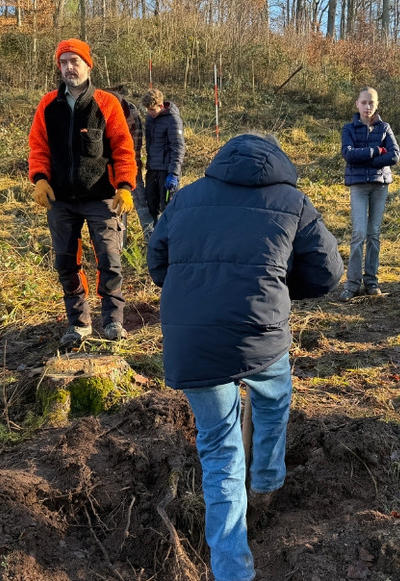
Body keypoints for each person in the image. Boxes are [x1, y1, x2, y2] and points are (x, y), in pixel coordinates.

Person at [147, 133, 343, 581]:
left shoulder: (187, 197)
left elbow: (158, 264)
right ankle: (269, 482)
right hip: (262, 334)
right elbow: (329, 272)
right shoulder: (292, 200)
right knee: (273, 399)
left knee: (219, 452)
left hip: (193, 342)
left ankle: (232, 571)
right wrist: (278, 286)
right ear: (278, 162)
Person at [28, 39, 137, 348]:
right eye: (63, 62)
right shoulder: (48, 105)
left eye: (74, 60)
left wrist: (125, 186)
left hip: (102, 197)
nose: (69, 67)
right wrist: (39, 178)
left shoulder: (107, 103)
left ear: (89, 65)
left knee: (110, 258)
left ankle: (113, 320)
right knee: (65, 262)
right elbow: (38, 147)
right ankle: (79, 323)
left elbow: (123, 149)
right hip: (60, 199)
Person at [339, 87, 400, 301]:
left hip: (379, 186)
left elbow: (395, 155)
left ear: (376, 105)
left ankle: (371, 282)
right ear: (357, 103)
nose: (367, 107)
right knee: (359, 234)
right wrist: (376, 151)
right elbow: (348, 154)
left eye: (371, 103)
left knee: (374, 234)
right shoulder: (348, 129)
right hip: (358, 186)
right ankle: (352, 284)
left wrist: (367, 160)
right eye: (364, 102)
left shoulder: (385, 127)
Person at [105, 85, 151, 242]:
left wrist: (132, 168)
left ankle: (151, 236)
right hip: (108, 168)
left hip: (130, 163)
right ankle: (117, 239)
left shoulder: (130, 112)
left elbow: (135, 143)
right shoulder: (101, 110)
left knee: (140, 199)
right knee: (112, 204)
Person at [141, 88, 185, 229]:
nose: (150, 113)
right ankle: (154, 237)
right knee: (151, 204)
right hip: (152, 169)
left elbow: (178, 147)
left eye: (152, 110)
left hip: (167, 171)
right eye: (148, 110)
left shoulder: (173, 120)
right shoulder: (150, 119)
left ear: (161, 106)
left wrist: (174, 174)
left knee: (168, 208)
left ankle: (170, 238)